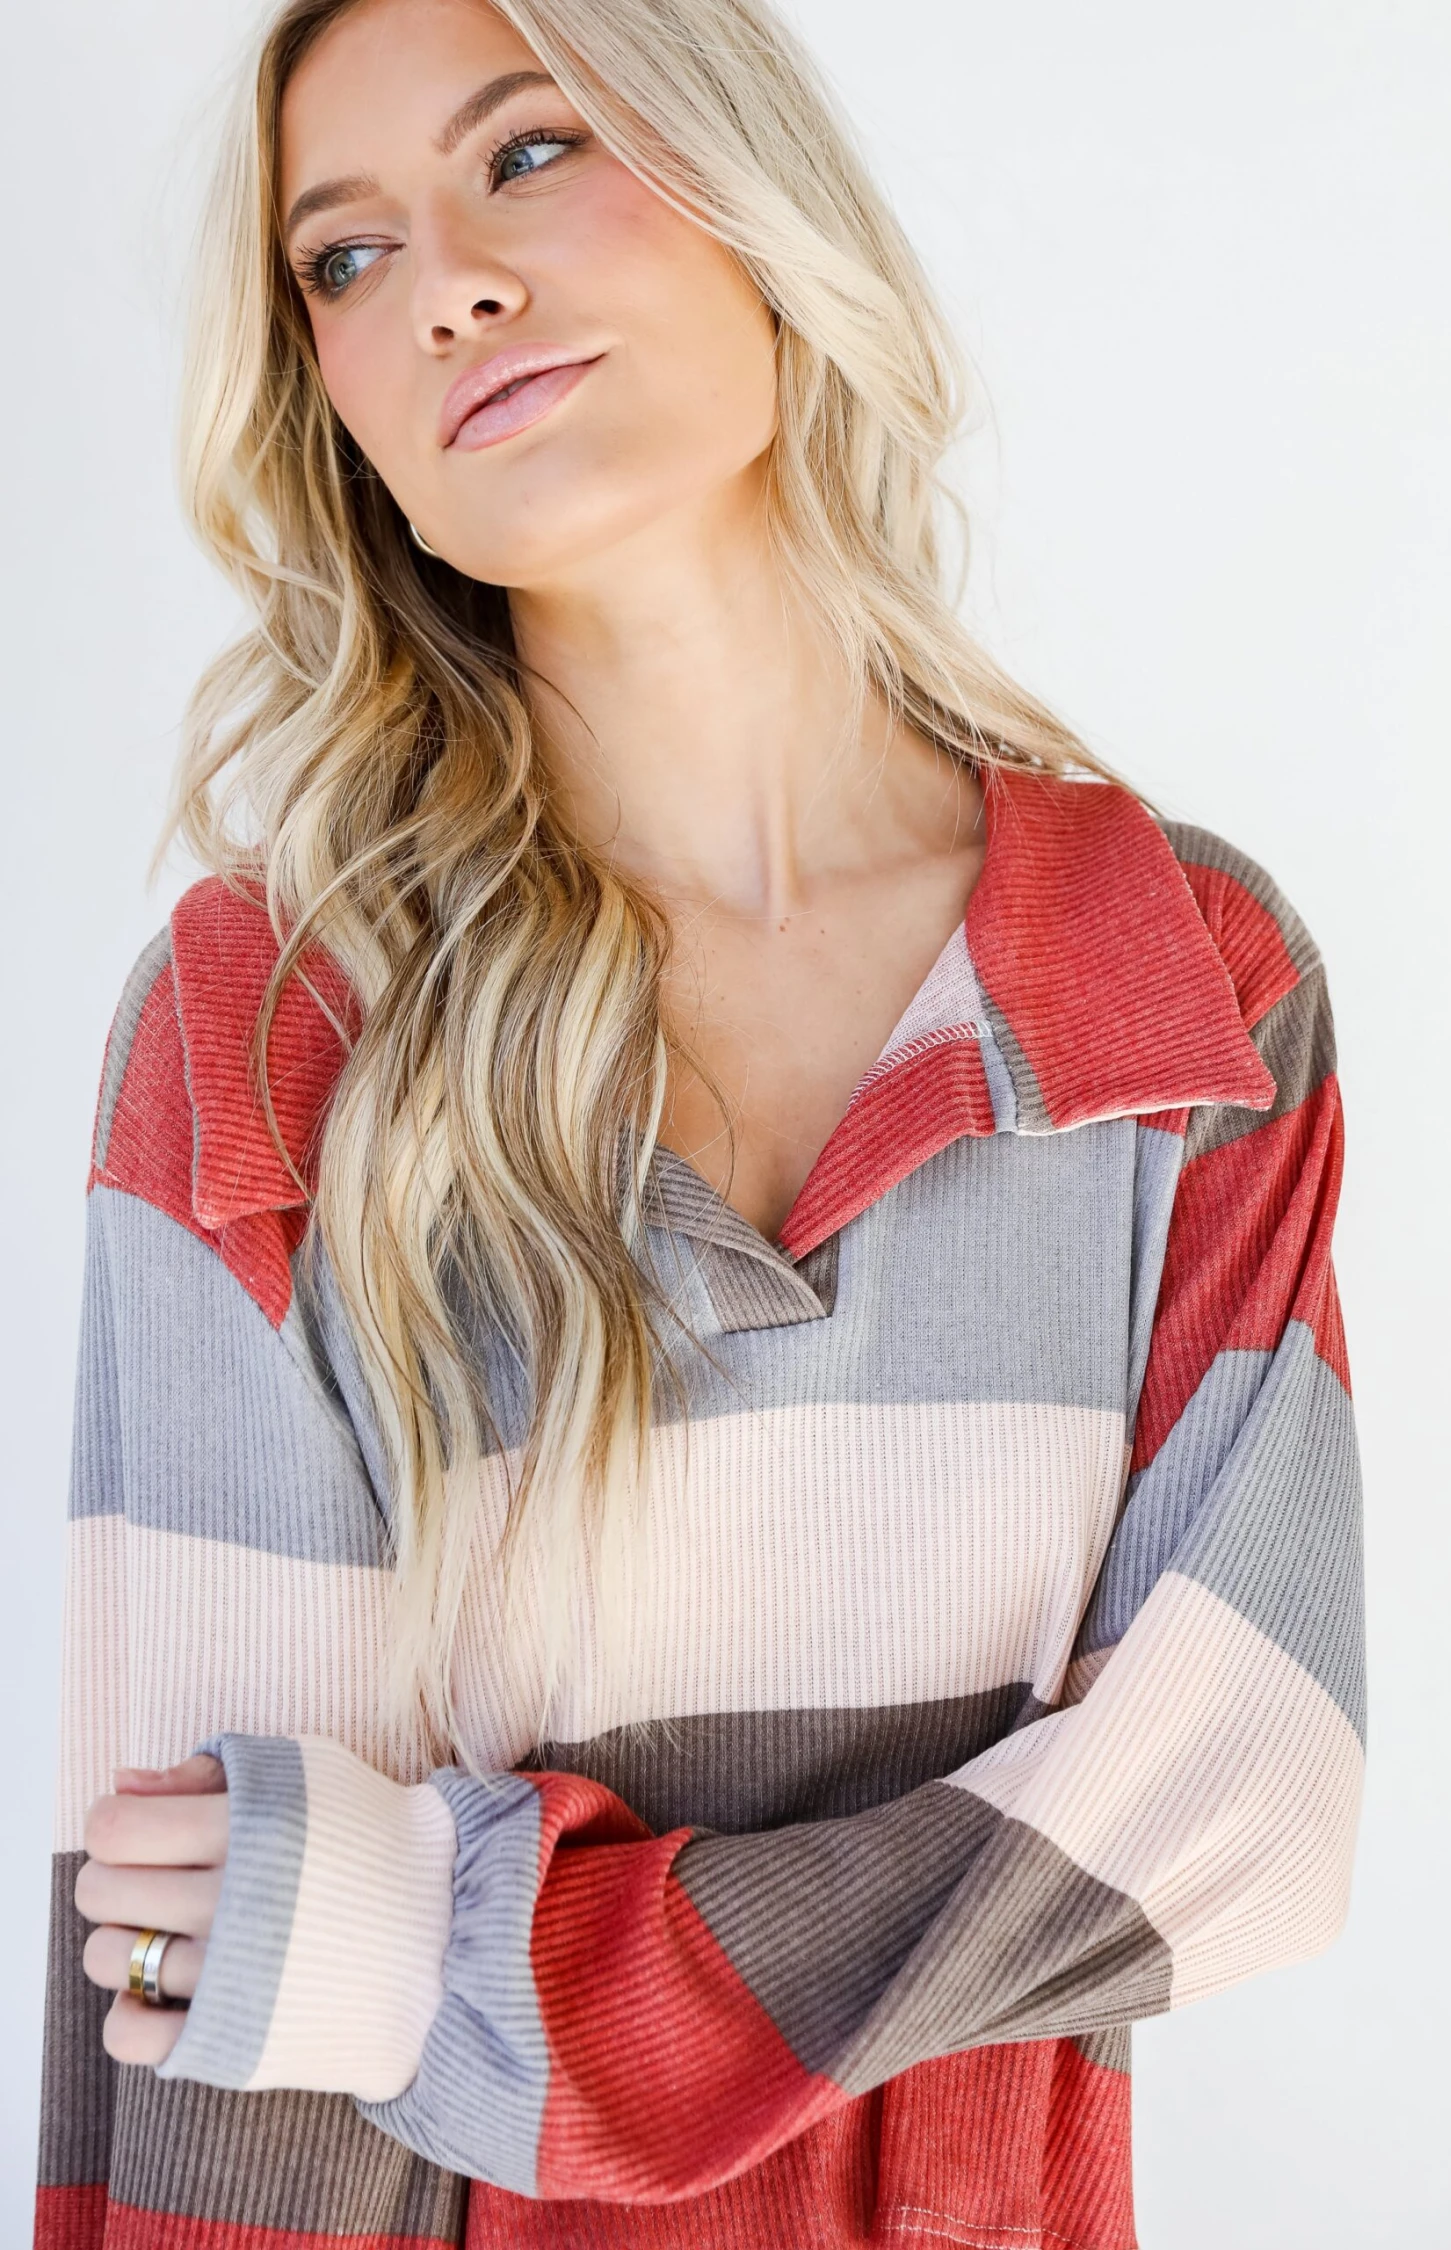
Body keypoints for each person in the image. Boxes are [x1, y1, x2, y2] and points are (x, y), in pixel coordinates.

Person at [34, 1, 1367, 2245]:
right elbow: (195, 1978)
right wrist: (320, 1945)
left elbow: (1248, 1809)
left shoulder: (1169, 982)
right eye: (344, 258)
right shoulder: (265, 1028)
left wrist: (458, 1964)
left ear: (755, 197)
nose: (446, 285)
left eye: (526, 154)